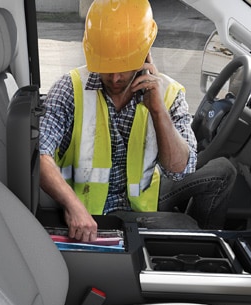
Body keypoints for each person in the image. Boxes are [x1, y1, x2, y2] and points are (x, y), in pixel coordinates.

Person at [38, 0, 236, 242]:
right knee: (186, 227)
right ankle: (191, 249)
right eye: (106, 66)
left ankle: (202, 254)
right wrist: (72, 205)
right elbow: (40, 155)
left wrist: (157, 110)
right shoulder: (70, 89)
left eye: (124, 65)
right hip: (95, 211)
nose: (115, 77)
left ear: (144, 53)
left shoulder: (167, 93)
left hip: (144, 196)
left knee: (223, 171)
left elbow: (179, 170)